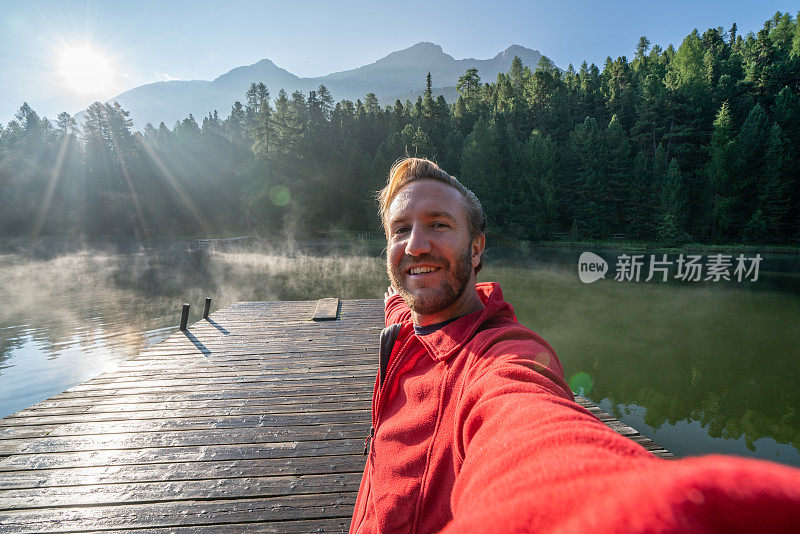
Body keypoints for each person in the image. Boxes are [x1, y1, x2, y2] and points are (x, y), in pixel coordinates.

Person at [350, 157, 800, 533]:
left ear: (476, 249)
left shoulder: (499, 358)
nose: (415, 245)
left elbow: (532, 432)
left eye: (439, 225)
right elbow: (402, 306)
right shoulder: (407, 325)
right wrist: (397, 302)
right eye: (400, 229)